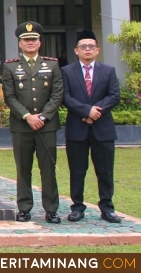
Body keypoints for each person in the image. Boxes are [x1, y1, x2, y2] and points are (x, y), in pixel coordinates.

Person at [3, 21, 63, 223]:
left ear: (40, 42)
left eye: (33, 39)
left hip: (47, 126)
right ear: (20, 43)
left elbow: (57, 95)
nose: (30, 42)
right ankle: (24, 208)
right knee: (23, 169)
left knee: (48, 169)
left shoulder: (52, 64)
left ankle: (51, 209)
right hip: (21, 126)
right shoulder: (10, 66)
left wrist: (43, 117)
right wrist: (27, 116)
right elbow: (9, 96)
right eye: (26, 40)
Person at [62, 30, 122, 223]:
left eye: (91, 46)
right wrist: (87, 111)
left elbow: (114, 96)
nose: (87, 50)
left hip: (102, 129)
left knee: (105, 171)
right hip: (77, 129)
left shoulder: (108, 70)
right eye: (83, 47)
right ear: (76, 50)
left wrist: (97, 112)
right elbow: (65, 97)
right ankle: (77, 207)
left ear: (97, 50)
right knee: (77, 170)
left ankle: (107, 208)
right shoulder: (67, 71)